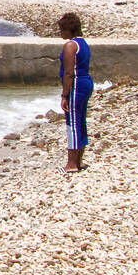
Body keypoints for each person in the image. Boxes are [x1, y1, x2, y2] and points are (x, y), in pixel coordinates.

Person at [57, 12, 94, 173]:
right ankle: (79, 161)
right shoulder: (83, 43)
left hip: (77, 85)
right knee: (80, 121)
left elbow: (69, 72)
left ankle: (71, 164)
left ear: (68, 29)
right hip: (86, 83)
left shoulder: (70, 46)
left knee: (72, 122)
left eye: (61, 29)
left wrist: (65, 95)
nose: (60, 33)